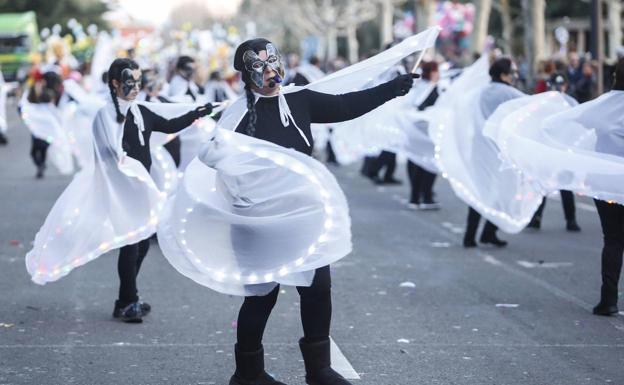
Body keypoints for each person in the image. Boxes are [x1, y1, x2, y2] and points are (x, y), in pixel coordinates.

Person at [204, 38, 418, 385]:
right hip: (258, 222)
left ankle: (319, 369)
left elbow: (345, 105)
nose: (271, 71)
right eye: (260, 66)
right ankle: (247, 374)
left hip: (302, 218)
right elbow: (216, 163)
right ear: (245, 73)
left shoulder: (299, 99)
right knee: (262, 297)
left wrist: (391, 89)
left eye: (274, 62)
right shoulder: (236, 115)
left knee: (318, 289)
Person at [463, 57, 524, 248]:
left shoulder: (479, 92)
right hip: (500, 150)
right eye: (512, 72)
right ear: (504, 74)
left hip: (479, 148)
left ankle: (471, 235)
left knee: (480, 191)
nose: (515, 76)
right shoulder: (511, 94)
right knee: (502, 192)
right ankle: (489, 232)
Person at [527, 72, 581, 232]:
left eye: (561, 84)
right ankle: (536, 218)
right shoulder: (544, 104)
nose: (559, 88)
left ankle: (571, 220)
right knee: (542, 185)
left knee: (565, 186)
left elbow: (577, 126)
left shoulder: (570, 104)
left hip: (564, 151)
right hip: (547, 150)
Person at [592, 59, 624, 316]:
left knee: (613, 239)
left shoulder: (604, 104)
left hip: (606, 184)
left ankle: (608, 299)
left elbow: (577, 120)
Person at [407, 61, 440, 210]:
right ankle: (426, 196)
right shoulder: (429, 88)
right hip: (426, 131)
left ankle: (416, 197)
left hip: (415, 130)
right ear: (432, 73)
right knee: (427, 164)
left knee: (416, 163)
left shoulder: (418, 87)